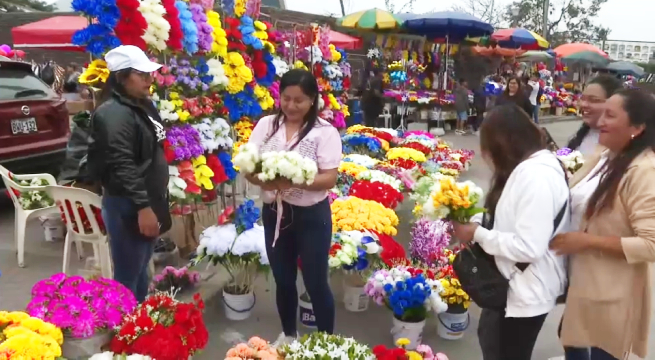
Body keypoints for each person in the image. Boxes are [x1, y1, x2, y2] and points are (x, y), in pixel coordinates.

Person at [452, 104, 569, 360]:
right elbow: (513, 220)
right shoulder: (530, 168)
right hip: (514, 289)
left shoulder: (535, 175)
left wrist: (477, 234)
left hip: (524, 294)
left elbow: (529, 246)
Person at [550, 88, 655, 360]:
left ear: (637, 127)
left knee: (599, 351)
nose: (600, 121)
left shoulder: (644, 171)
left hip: (612, 293)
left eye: (610, 115)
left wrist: (586, 241)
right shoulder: (605, 156)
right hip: (584, 284)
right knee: (571, 340)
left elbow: (651, 244)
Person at [244, 68, 341, 346]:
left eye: (299, 100)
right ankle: (288, 335)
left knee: (315, 282)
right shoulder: (266, 125)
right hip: (275, 213)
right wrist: (263, 179)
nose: (291, 106)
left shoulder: (324, 132)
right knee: (283, 279)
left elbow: (329, 178)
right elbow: (249, 166)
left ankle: (326, 344)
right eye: (286, 98)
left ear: (312, 100)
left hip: (311, 217)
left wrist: (296, 180)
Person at [87, 45, 171, 302]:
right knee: (128, 275)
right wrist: (143, 207)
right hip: (129, 205)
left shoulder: (139, 104)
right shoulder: (113, 112)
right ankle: (123, 329)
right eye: (142, 74)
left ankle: (138, 323)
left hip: (145, 199)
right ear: (122, 77)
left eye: (150, 74)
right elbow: (121, 163)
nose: (149, 80)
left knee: (141, 267)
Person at [566, 75, 623, 157]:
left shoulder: (620, 147)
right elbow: (564, 158)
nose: (583, 104)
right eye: (582, 99)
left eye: (593, 100)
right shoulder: (580, 135)